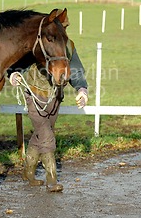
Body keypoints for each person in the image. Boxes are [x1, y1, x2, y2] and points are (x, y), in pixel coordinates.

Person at [10, 32, 88, 193]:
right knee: (46, 136)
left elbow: (76, 69)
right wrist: (14, 74)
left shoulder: (68, 46)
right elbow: (18, 63)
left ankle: (28, 172)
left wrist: (82, 89)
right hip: (34, 94)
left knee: (42, 134)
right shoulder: (36, 44)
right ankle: (51, 180)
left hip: (56, 97)